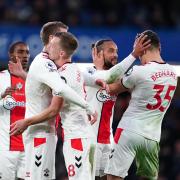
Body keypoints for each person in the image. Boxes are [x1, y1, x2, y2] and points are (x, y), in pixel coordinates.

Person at [10, 21, 97, 180]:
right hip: (40, 132)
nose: (67, 38)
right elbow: (60, 89)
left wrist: (25, 76)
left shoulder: (52, 64)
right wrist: (88, 107)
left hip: (47, 132)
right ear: (52, 39)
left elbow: (43, 83)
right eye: (62, 35)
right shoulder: (46, 63)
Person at [104, 30, 178, 180]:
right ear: (159, 48)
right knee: (149, 177)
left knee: (113, 176)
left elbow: (110, 86)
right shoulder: (172, 74)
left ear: (141, 48)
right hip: (152, 136)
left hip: (129, 130)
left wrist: (132, 55)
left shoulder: (139, 72)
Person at [84, 36, 151, 180]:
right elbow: (107, 76)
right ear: (99, 53)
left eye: (116, 51)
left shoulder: (117, 78)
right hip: (89, 140)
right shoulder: (88, 73)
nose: (115, 55)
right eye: (111, 51)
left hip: (108, 140)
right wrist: (134, 54)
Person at [0, 41, 30, 179]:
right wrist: (1, 96)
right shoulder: (1, 78)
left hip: (29, 146)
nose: (25, 56)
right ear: (10, 55)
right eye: (20, 52)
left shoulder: (34, 81)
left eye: (27, 52)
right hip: (5, 148)